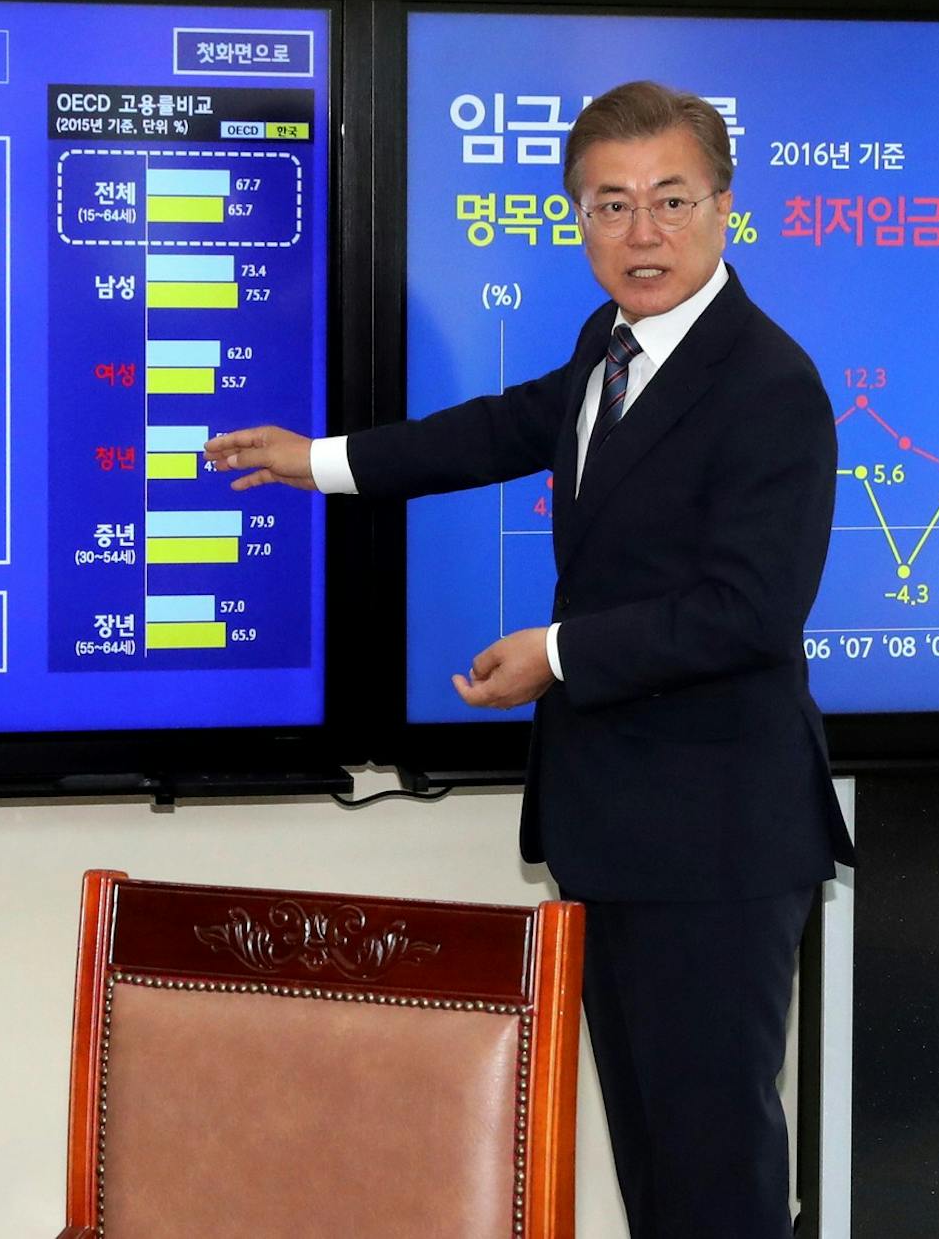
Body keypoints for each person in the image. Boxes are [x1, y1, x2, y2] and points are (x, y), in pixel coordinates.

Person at [207, 80, 854, 1239]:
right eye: (610, 205)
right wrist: (321, 461)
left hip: (719, 837)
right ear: (579, 219)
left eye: (669, 200)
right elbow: (505, 426)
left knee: (714, 1155)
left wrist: (555, 654)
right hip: (618, 823)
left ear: (724, 209)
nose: (640, 232)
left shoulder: (768, 385)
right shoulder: (611, 345)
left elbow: (749, 613)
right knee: (655, 1149)